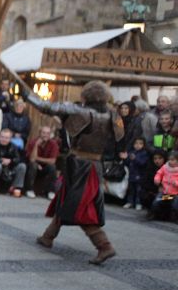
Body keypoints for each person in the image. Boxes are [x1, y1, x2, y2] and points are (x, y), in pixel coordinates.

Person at [24, 81, 123, 265]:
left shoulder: (80, 111)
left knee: (79, 207)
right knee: (67, 199)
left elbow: (48, 107)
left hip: (81, 166)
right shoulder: (113, 114)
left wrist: (28, 96)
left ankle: (104, 245)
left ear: (86, 96)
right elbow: (119, 139)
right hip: (95, 165)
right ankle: (48, 236)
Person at [0, 128, 26, 197]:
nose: (4, 139)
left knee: (22, 166)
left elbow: (18, 159)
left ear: (10, 139)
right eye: (2, 137)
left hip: (9, 167)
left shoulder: (13, 146)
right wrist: (1, 161)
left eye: (6, 138)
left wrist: (10, 161)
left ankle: (16, 188)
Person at [24, 125, 59, 199]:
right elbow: (32, 159)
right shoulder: (33, 142)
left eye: (47, 133)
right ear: (40, 133)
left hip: (45, 167)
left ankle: (51, 191)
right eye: (43, 133)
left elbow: (52, 161)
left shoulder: (53, 144)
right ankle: (29, 190)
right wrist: (36, 145)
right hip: (34, 167)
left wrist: (37, 158)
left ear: (50, 135)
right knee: (33, 165)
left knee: (52, 167)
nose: (45, 135)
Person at [123, 137, 149, 210]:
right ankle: (130, 202)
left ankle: (138, 203)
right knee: (131, 190)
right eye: (136, 143)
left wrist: (135, 159)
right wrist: (125, 158)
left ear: (143, 145)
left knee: (138, 190)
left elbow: (142, 163)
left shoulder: (144, 153)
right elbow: (127, 163)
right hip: (131, 174)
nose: (138, 145)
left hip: (139, 175)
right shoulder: (131, 152)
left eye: (140, 143)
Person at [151, 151, 178, 221]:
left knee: (175, 205)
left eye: (172, 160)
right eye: (169, 159)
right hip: (165, 193)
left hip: (175, 194)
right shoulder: (165, 167)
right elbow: (159, 173)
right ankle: (154, 215)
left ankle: (174, 217)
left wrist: (176, 183)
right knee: (156, 202)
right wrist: (157, 179)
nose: (170, 161)